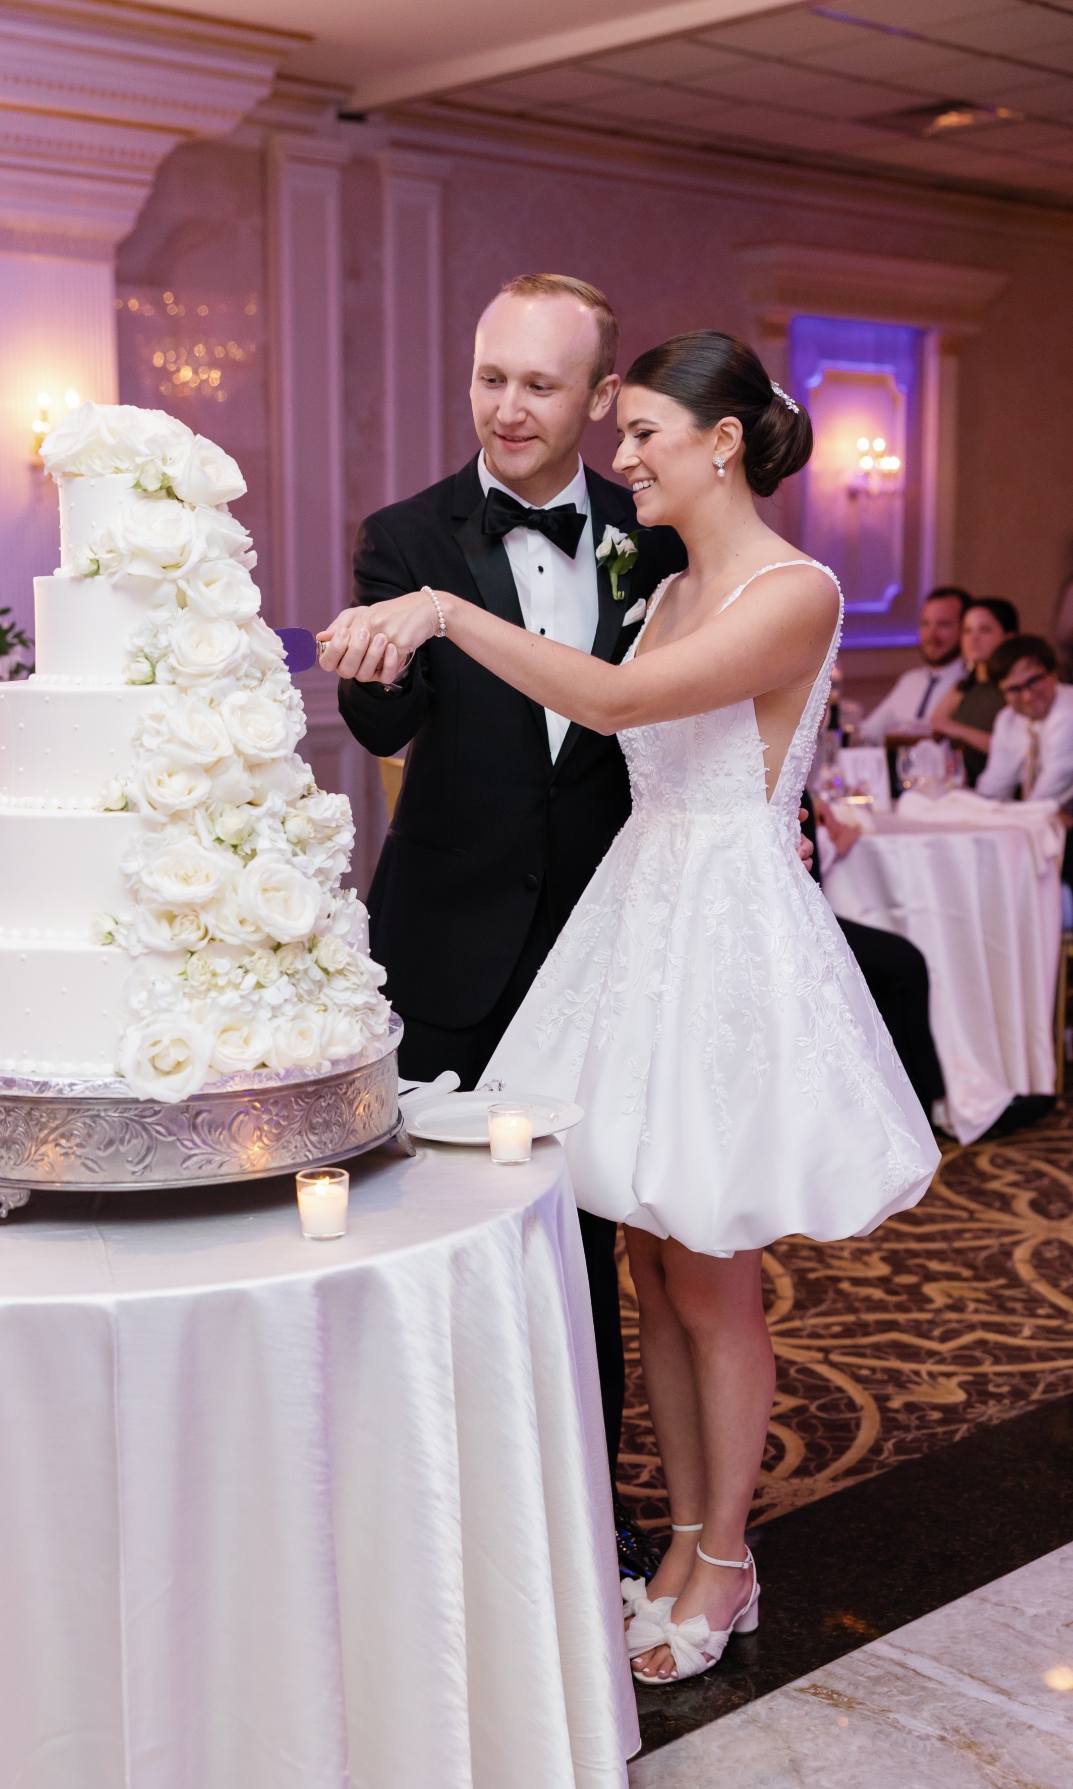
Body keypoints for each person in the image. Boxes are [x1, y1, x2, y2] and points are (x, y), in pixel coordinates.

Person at [319, 329, 939, 1687]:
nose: (623, 455)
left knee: (715, 1274)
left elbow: (608, 703)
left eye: (645, 430)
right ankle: (680, 1536)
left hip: (720, 939)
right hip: (637, 922)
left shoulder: (796, 589)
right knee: (650, 1265)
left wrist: (443, 608)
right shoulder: (664, 587)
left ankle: (728, 1558)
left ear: (720, 442)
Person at [335, 273, 688, 1529]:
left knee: (582, 1242)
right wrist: (371, 665)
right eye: (491, 377)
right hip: (441, 939)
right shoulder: (409, 532)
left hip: (599, 941)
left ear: (600, 397)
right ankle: (416, 1513)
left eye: (541, 384)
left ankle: (586, 1518)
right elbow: (389, 720)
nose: (508, 407)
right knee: (413, 1227)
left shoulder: (658, 532)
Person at [805, 794, 945, 1118]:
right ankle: (921, 1104)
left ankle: (914, 1100)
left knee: (901, 961)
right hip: (793, 918)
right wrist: (830, 842)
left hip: (807, 909)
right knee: (905, 964)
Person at [858, 586, 971, 742]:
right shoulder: (910, 681)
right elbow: (868, 733)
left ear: (965, 629)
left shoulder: (971, 683)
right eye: (926, 624)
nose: (931, 635)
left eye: (943, 624)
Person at [977, 633, 1073, 807]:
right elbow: (994, 787)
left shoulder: (1068, 713)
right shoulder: (1008, 719)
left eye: (1034, 680)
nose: (1028, 696)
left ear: (1054, 673)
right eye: (1014, 688)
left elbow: (1045, 798)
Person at [931, 598, 1018, 784]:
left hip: (1005, 793)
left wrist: (958, 730)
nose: (973, 639)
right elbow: (936, 725)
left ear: (1009, 637)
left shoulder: (1015, 688)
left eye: (984, 630)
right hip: (964, 790)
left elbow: (1013, 749)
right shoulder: (963, 686)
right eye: (967, 631)